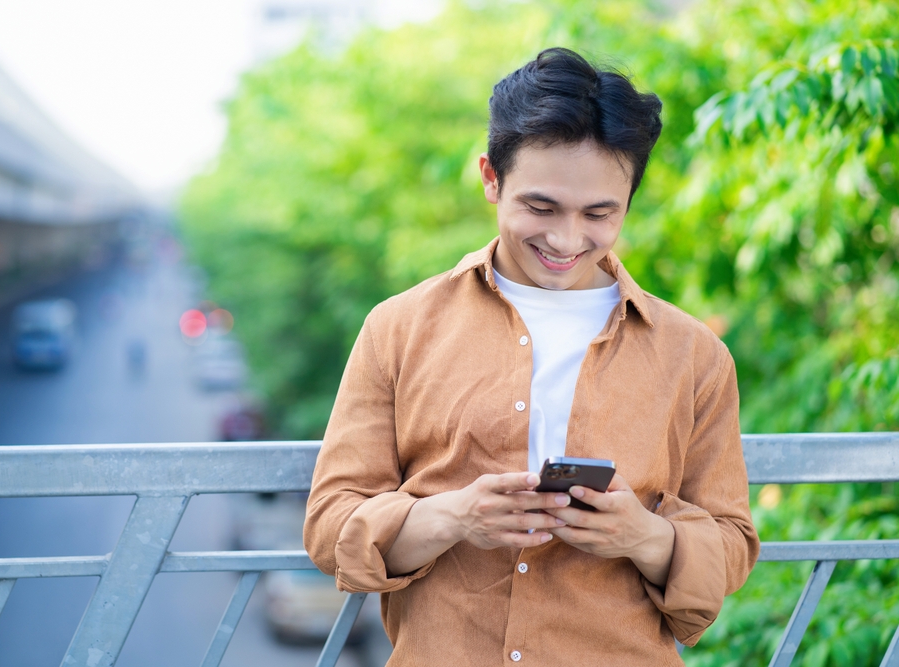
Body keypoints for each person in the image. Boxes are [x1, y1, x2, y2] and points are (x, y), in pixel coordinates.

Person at [303, 47, 759, 665]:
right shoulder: (398, 328)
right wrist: (453, 517)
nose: (568, 240)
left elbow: (733, 543)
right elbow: (330, 524)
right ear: (491, 177)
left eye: (600, 213)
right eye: (540, 208)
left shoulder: (694, 355)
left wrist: (644, 538)